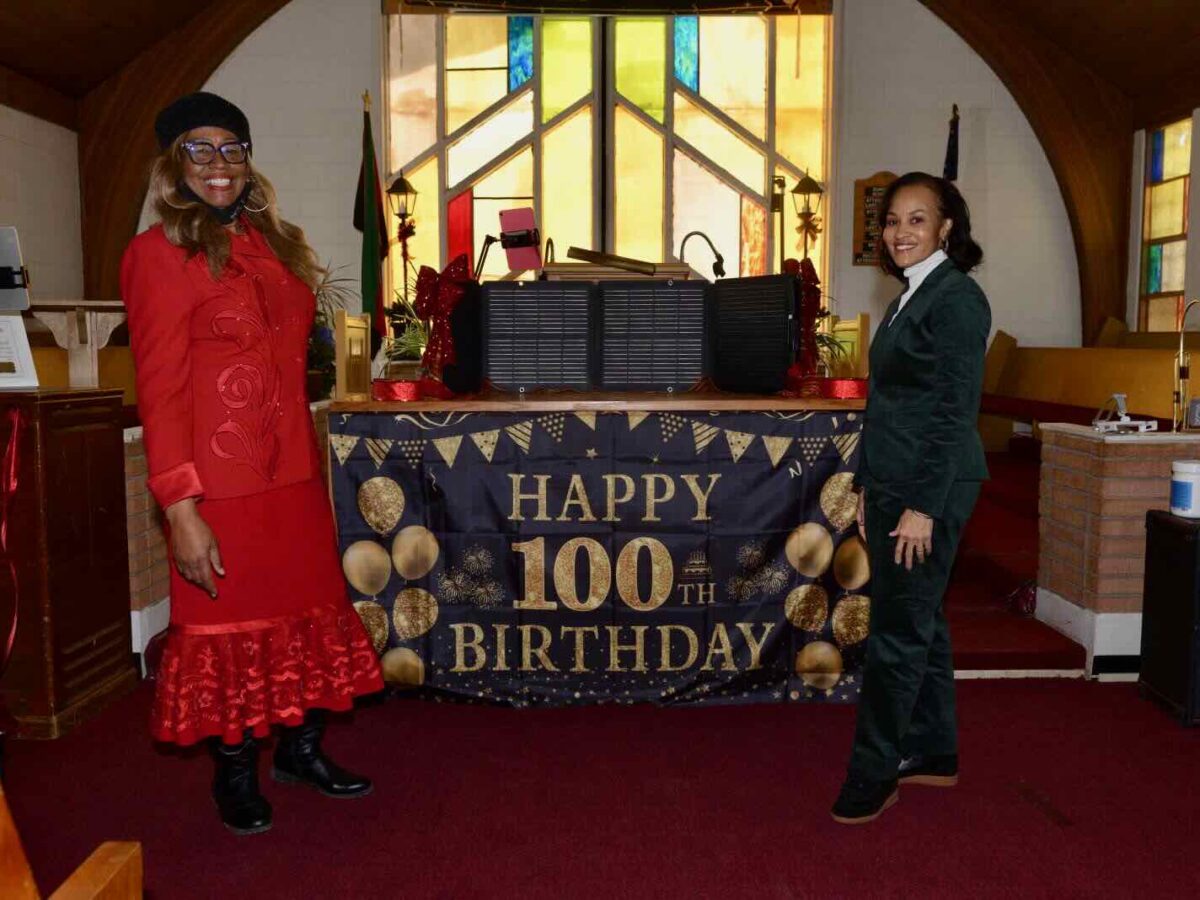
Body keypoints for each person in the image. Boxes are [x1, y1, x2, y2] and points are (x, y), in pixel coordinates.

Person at [121, 92, 384, 835]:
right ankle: (235, 771)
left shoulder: (279, 246)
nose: (218, 164)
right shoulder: (155, 256)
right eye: (198, 150)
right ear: (172, 166)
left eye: (231, 148)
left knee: (307, 617)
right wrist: (179, 507)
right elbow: (161, 389)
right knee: (227, 633)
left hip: (292, 483)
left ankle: (301, 750)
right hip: (217, 490)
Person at [832, 171, 990, 825]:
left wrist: (921, 506)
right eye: (893, 220)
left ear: (946, 227)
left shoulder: (955, 299)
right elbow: (890, 404)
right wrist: (871, 487)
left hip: (934, 487)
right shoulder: (912, 293)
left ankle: (873, 775)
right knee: (922, 619)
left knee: (897, 633)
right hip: (898, 484)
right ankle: (933, 750)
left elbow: (954, 411)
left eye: (916, 219)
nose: (900, 232)